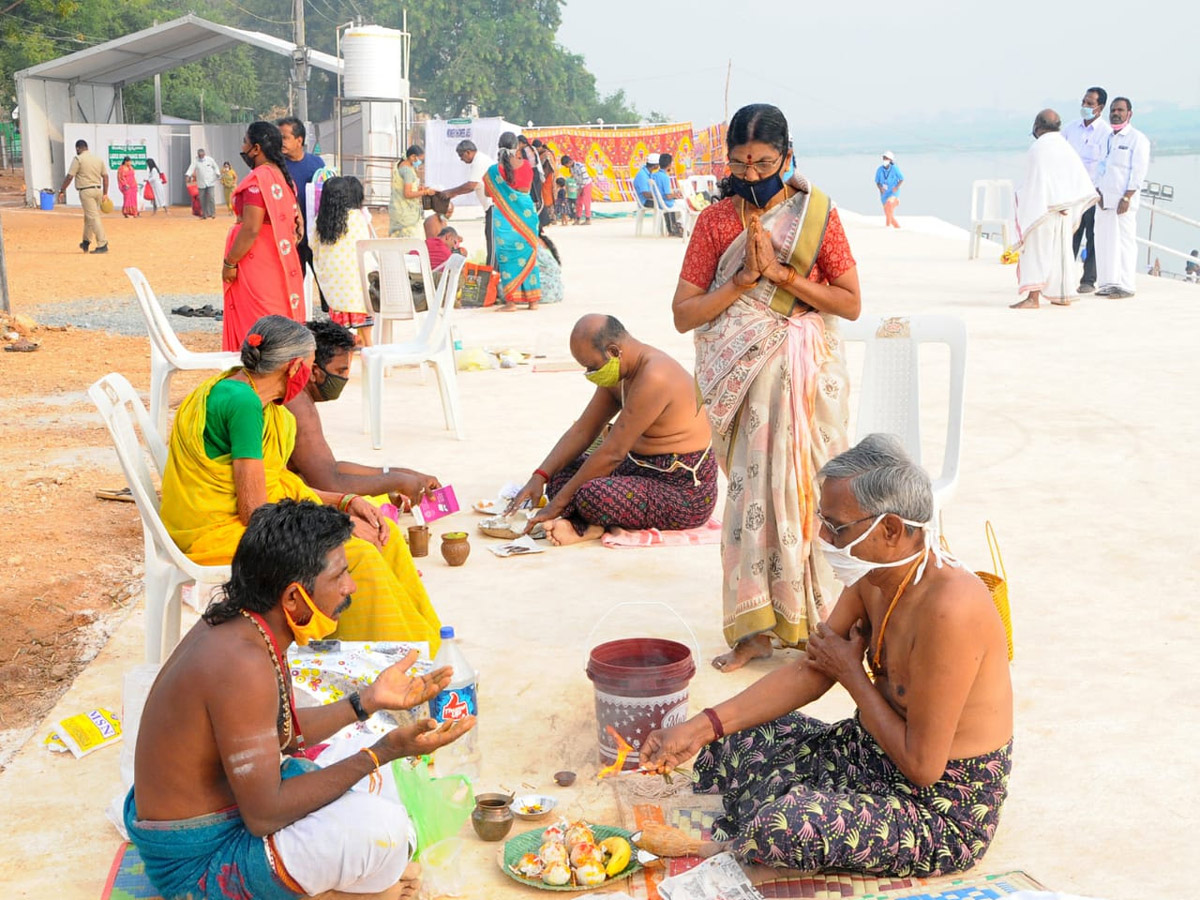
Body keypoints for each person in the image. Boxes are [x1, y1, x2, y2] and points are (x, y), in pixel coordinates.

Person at [639, 434, 1013, 878]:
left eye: (836, 526)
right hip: (871, 751)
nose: (821, 535)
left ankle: (750, 831)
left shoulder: (950, 610)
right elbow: (811, 670)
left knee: (779, 826)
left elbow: (923, 767)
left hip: (940, 805)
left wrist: (853, 674)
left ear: (890, 530)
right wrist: (701, 728)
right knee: (732, 744)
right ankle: (774, 803)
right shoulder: (873, 576)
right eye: (823, 519)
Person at [125, 498, 475, 900]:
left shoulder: (248, 626)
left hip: (225, 816)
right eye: (341, 575)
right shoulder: (241, 664)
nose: (351, 587)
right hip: (200, 865)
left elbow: (283, 734)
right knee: (383, 829)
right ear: (294, 598)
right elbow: (264, 815)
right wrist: (381, 752)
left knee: (383, 780)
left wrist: (367, 702)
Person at [673, 102, 860, 672]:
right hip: (747, 381)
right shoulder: (715, 223)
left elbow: (850, 303)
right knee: (753, 499)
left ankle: (821, 623)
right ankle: (754, 632)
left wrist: (782, 276)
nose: (751, 176)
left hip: (807, 378)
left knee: (813, 494)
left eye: (763, 163)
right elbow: (684, 314)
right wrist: (742, 281)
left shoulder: (818, 216)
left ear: (787, 155)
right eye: (740, 164)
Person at [160, 315, 443, 647]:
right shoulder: (243, 404)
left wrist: (345, 502)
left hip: (241, 521)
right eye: (309, 367)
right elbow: (257, 515)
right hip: (214, 532)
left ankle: (429, 644)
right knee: (354, 555)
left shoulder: (260, 401)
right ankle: (394, 662)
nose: (310, 377)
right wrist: (342, 525)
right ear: (294, 368)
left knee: (386, 532)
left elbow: (278, 482)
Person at [510, 314, 716, 545]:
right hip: (635, 470)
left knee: (591, 495)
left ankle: (587, 527)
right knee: (561, 473)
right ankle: (589, 522)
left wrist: (554, 506)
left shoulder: (654, 375)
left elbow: (612, 452)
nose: (590, 374)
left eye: (591, 366)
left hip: (680, 489)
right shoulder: (620, 372)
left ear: (613, 352)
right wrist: (540, 476)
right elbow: (583, 431)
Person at [287, 319, 443, 509]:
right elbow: (329, 484)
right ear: (314, 371)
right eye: (340, 371)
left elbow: (330, 467)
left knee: (376, 500)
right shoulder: (297, 403)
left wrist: (402, 474)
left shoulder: (298, 398)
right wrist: (396, 480)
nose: (344, 378)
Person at [221, 121, 306, 351]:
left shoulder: (257, 180)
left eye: (245, 142)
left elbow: (251, 228)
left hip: (256, 262)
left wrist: (230, 262)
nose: (243, 147)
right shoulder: (281, 177)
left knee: (258, 325)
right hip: (278, 262)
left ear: (256, 148)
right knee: (276, 317)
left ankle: (257, 380)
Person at [1010, 110, 1098, 310]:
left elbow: (1034, 183)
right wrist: (1068, 203)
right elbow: (1077, 179)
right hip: (1065, 210)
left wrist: (1020, 200)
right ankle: (1062, 294)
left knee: (1036, 254)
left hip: (1043, 211)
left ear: (1037, 125)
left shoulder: (1038, 148)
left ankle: (1033, 298)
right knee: (1061, 254)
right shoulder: (1065, 146)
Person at [1094, 97, 1150, 299]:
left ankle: (1126, 285)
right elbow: (1100, 166)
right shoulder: (1107, 137)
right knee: (1104, 241)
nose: (1115, 113)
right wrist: (1097, 191)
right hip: (1103, 199)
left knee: (1124, 241)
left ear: (1129, 113)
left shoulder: (1137, 138)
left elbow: (1138, 172)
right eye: (1113, 110)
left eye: (1120, 110)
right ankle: (1108, 283)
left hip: (1123, 201)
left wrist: (1127, 197)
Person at [312, 176, 376, 346]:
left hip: (335, 287)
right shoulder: (358, 218)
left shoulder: (320, 221)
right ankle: (370, 349)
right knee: (366, 328)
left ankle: (344, 351)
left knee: (340, 335)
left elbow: (314, 246)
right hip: (357, 285)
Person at [485, 132, 542, 311]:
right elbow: (525, 189)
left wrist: (504, 191)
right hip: (526, 218)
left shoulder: (493, 171)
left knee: (507, 258)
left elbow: (488, 194)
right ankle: (533, 301)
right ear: (517, 146)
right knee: (529, 258)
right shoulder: (525, 165)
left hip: (504, 220)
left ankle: (511, 302)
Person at [1063, 87, 1111, 293]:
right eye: (1083, 102)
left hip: (1093, 193)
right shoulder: (1070, 129)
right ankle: (1064, 277)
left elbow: (1106, 164)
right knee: (1069, 234)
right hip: (1071, 193)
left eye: (1090, 104)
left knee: (1093, 236)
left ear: (1100, 108)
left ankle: (1088, 280)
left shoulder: (1106, 133)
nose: (1085, 106)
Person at [441, 139, 496, 263]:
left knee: (492, 244)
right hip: (490, 207)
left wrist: (450, 192)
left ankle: (491, 272)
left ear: (468, 152)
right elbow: (473, 186)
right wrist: (454, 193)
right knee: (491, 240)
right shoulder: (480, 160)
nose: (461, 159)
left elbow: (471, 185)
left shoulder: (479, 161)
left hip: (494, 206)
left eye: (461, 156)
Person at [57, 139, 109, 254]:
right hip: (98, 191)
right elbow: (105, 177)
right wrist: (105, 193)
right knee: (88, 217)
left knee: (93, 217)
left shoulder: (78, 159)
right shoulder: (97, 159)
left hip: (86, 191)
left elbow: (70, 176)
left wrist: (62, 190)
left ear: (78, 148)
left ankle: (103, 243)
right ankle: (85, 242)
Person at [389, 144, 436, 237]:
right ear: (413, 156)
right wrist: (425, 192)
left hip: (397, 208)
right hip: (406, 212)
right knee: (411, 238)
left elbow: (404, 186)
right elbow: (407, 193)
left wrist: (418, 189)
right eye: (420, 159)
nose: (420, 162)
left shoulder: (399, 165)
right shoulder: (407, 171)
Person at [654, 153, 685, 237]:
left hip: (658, 203)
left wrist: (674, 195)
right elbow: (668, 196)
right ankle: (679, 226)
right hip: (666, 203)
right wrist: (676, 195)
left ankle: (672, 227)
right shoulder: (665, 177)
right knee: (685, 206)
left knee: (678, 202)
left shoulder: (654, 175)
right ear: (669, 165)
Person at [186, 148, 221, 219]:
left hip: (210, 182)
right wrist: (188, 175)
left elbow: (216, 167)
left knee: (211, 197)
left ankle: (212, 213)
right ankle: (204, 214)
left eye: (202, 155)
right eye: (199, 155)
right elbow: (191, 168)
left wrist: (217, 173)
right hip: (201, 183)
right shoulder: (196, 161)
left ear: (204, 154)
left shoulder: (210, 160)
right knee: (202, 199)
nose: (200, 156)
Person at [874, 151, 903, 229]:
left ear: (890, 160)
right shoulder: (879, 170)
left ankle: (887, 227)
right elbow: (877, 182)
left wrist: (896, 187)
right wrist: (880, 189)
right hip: (884, 194)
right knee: (888, 213)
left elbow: (901, 179)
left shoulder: (895, 169)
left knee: (889, 204)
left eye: (887, 158)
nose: (885, 159)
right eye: (884, 158)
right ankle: (898, 228)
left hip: (893, 192)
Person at [561, 154, 593, 224]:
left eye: (566, 165)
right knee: (578, 202)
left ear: (569, 162)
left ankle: (588, 219)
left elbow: (585, 178)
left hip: (586, 184)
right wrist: (578, 188)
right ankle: (578, 218)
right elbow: (576, 179)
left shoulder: (580, 166)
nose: (566, 167)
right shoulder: (571, 169)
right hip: (579, 185)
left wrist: (581, 188)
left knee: (586, 201)